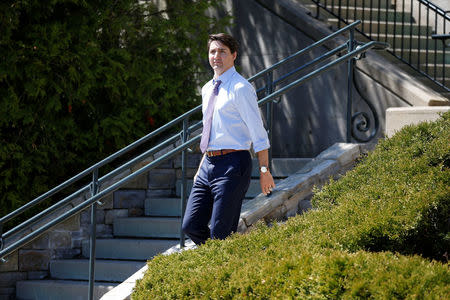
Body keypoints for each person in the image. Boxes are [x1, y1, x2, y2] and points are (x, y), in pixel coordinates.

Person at [181, 33, 276, 245]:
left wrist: (264, 170)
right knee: (191, 225)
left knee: (221, 233)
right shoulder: (207, 89)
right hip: (209, 164)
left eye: (222, 51)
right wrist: (201, 166)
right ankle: (219, 258)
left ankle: (220, 263)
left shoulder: (241, 88)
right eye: (213, 51)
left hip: (233, 164)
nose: (217, 56)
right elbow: (211, 131)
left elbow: (258, 133)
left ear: (234, 55)